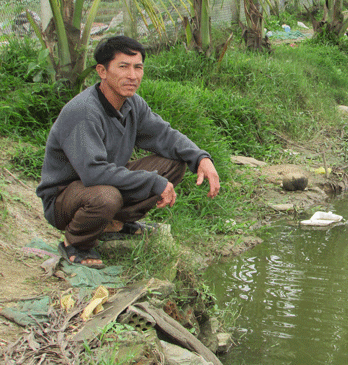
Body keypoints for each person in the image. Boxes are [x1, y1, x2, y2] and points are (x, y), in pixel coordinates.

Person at [36, 36, 220, 269]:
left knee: (174, 163)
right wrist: (152, 181)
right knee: (106, 196)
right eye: (123, 67)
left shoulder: (132, 104)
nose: (132, 76)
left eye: (138, 67)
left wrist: (200, 157)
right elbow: (93, 173)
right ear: (102, 71)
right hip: (65, 200)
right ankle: (76, 243)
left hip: (101, 183)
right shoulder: (83, 112)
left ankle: (114, 223)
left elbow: (164, 135)